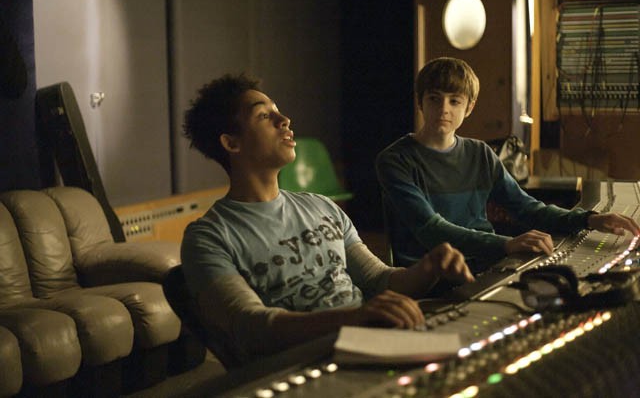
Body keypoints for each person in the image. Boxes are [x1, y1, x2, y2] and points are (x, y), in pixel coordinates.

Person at [180, 73, 475, 364]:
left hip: (372, 345)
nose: (284, 120)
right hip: (306, 365)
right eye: (264, 116)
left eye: (278, 111)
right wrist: (354, 318)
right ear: (231, 143)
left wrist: (428, 268)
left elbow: (379, 280)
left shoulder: (321, 206)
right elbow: (252, 326)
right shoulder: (208, 237)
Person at [376, 57, 640, 273]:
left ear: (469, 107)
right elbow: (431, 230)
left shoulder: (480, 153)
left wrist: (588, 219)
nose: (444, 108)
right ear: (420, 101)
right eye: (434, 98)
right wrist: (507, 244)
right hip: (429, 277)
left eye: (454, 100)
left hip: (485, 266)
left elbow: (526, 208)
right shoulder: (395, 160)